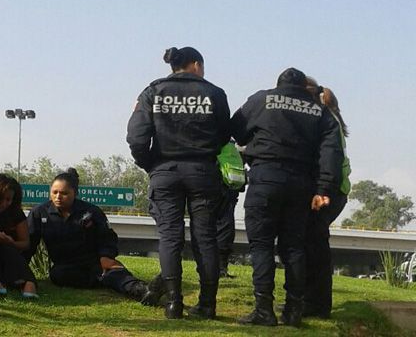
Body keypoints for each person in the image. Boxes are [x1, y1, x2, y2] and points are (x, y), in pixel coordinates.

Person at [231, 68, 343, 327]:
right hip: (302, 184)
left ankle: (263, 309)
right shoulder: (320, 111)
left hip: (265, 179)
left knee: (261, 246)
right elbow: (331, 152)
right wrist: (324, 189)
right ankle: (293, 310)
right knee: (293, 247)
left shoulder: (262, 99)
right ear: (305, 87)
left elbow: (237, 128)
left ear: (278, 84)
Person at [126, 47, 231, 319]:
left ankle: (173, 303)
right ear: (196, 65)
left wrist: (152, 164)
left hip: (165, 170)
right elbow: (223, 135)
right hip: (203, 171)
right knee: (205, 238)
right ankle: (207, 304)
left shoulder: (152, 92)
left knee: (170, 237)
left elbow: (136, 137)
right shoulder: (215, 93)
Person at [27, 169, 160, 304]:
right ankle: (102, 280)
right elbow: (29, 243)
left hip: (96, 261)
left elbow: (107, 238)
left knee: (114, 274)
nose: (58, 197)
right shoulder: (39, 213)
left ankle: (144, 290)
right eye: (54, 192)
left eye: (64, 193)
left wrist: (106, 257)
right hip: (66, 267)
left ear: (75, 193)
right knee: (57, 275)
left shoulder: (91, 211)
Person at [302, 77, 351, 318]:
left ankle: (317, 305)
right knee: (312, 245)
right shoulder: (331, 118)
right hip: (334, 190)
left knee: (314, 247)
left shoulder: (321, 119)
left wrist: (321, 192)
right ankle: (309, 301)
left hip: (326, 191)